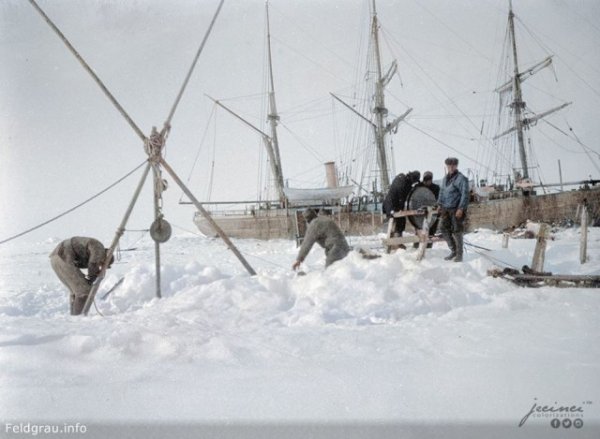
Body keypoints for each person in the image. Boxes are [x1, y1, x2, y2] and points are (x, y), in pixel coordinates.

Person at [49, 237, 113, 315]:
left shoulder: (96, 250)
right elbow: (93, 264)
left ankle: (74, 316)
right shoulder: (99, 250)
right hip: (64, 256)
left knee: (76, 291)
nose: (100, 265)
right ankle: (79, 317)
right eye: (102, 264)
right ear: (105, 258)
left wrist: (92, 277)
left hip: (57, 257)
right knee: (84, 290)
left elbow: (92, 266)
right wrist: (92, 278)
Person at [437, 158, 469, 262]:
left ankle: (459, 255)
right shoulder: (445, 179)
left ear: (456, 166)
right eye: (449, 165)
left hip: (456, 209)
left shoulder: (461, 179)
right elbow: (441, 193)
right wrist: (439, 204)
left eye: (453, 165)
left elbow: (465, 195)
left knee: (457, 231)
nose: (451, 167)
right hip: (446, 209)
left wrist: (461, 208)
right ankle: (453, 250)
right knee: (443, 228)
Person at [382, 170, 421, 238]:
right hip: (392, 206)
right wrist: (401, 209)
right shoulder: (402, 183)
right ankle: (396, 241)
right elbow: (401, 198)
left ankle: (396, 240)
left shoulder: (401, 178)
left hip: (389, 205)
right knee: (399, 222)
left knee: (400, 221)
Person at [413, 171, 441, 247]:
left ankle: (428, 248)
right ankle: (416, 247)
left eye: (429, 179)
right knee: (419, 231)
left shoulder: (436, 188)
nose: (427, 181)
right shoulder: (418, 187)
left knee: (431, 232)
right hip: (420, 213)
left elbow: (438, 199)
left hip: (432, 213)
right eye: (426, 179)